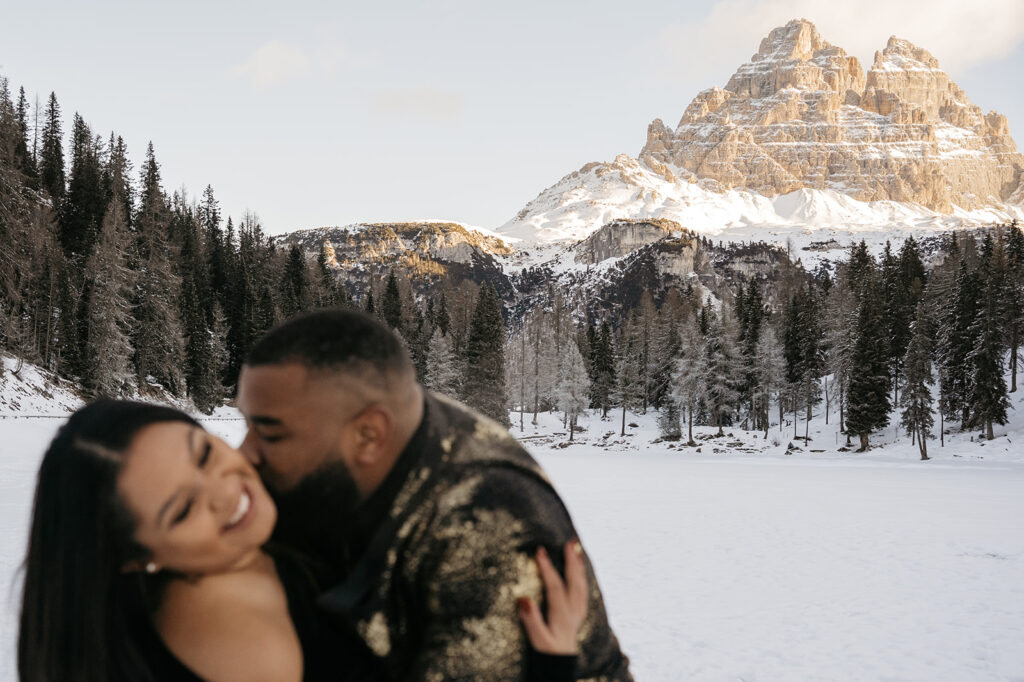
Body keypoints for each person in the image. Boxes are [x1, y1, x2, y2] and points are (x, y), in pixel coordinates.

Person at [18, 400, 586, 682]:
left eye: (205, 453)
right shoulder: (230, 632)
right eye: (185, 509)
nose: (226, 490)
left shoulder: (243, 557)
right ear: (136, 557)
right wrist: (552, 665)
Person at [236, 308, 633, 681]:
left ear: (369, 435)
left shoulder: (487, 524)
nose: (242, 455)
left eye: (270, 433)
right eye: (246, 425)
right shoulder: (363, 447)